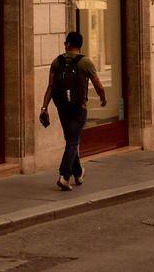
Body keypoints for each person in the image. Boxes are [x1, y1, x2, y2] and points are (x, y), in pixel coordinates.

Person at [40, 31, 107, 191]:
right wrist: (103, 98)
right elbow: (98, 84)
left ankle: (78, 172)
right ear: (79, 45)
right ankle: (64, 176)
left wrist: (44, 107)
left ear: (68, 44)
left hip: (62, 108)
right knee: (72, 141)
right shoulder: (85, 63)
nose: (64, 45)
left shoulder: (56, 62)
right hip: (79, 109)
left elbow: (51, 86)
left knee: (71, 139)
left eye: (65, 42)